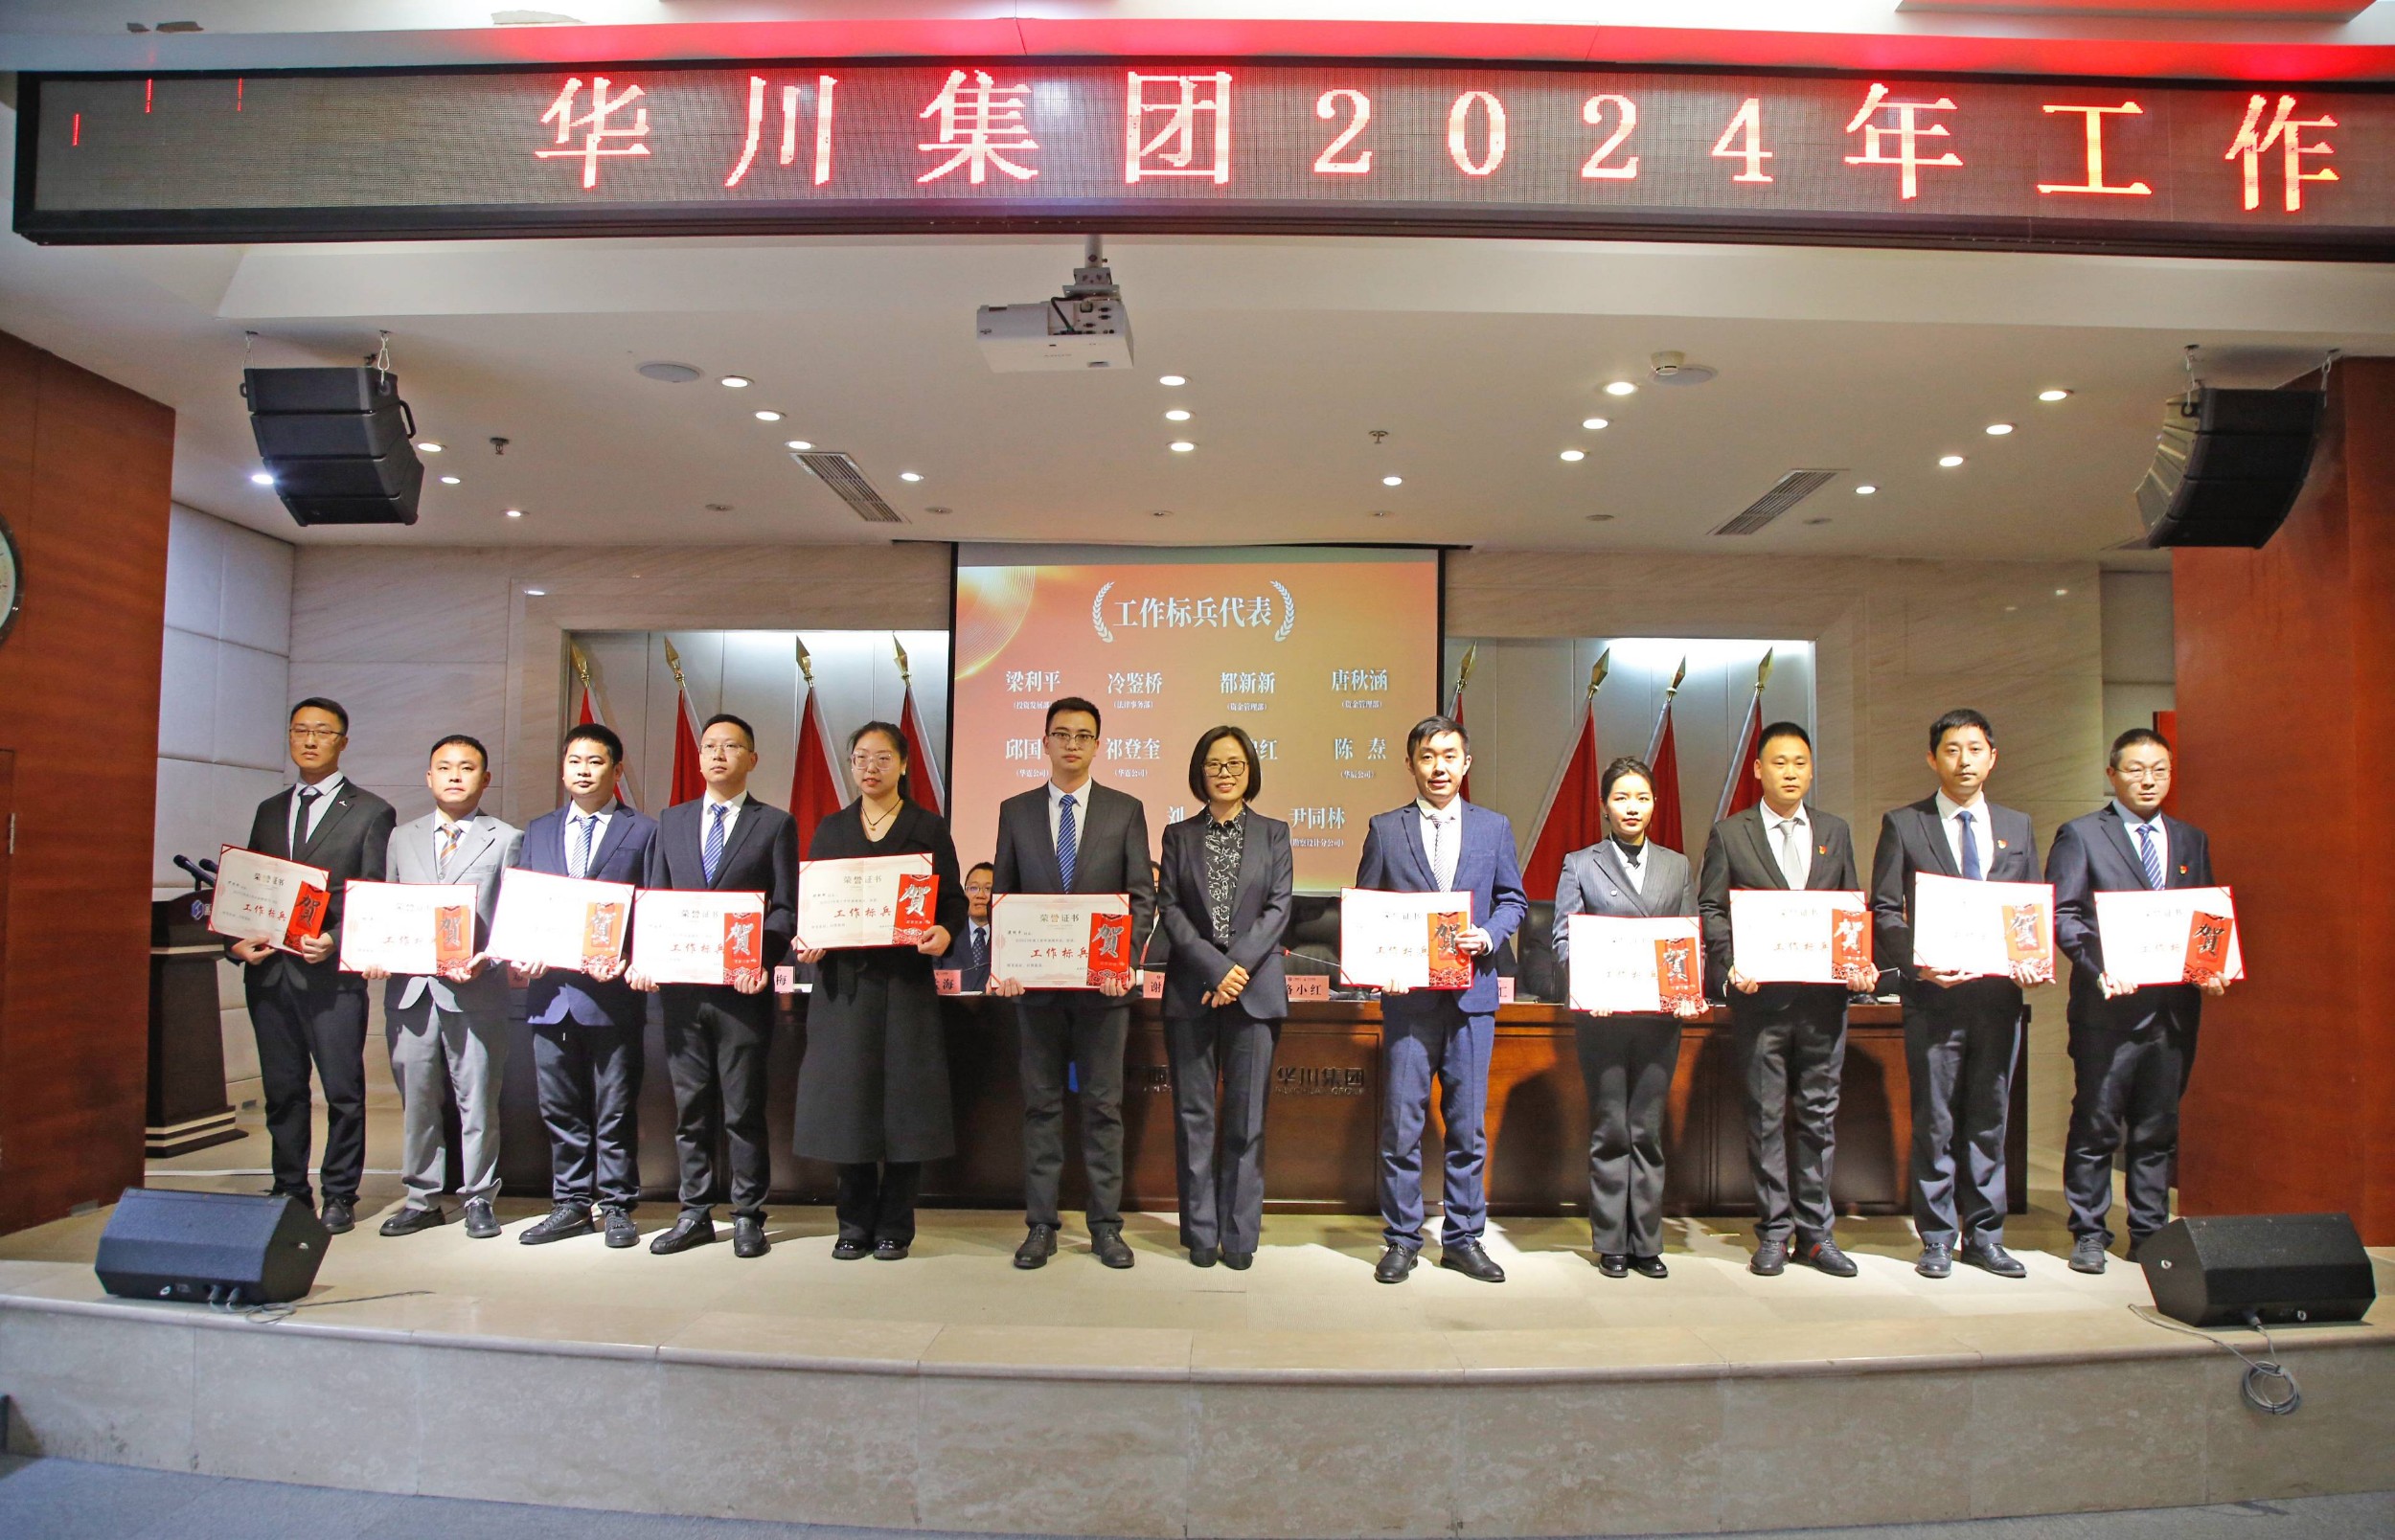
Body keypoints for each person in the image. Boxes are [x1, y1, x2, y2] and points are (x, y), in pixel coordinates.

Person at [1872, 709, 2043, 1280]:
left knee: (1990, 1118)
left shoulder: (2017, 826)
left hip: (1998, 999)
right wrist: (1918, 965)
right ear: (1932, 758)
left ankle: (1986, 1237)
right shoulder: (1905, 823)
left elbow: (2028, 908)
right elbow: (1885, 909)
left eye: (1974, 749)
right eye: (1951, 749)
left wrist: (2032, 958)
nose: (1963, 760)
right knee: (1937, 1121)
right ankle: (1938, 1237)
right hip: (1934, 999)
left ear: (1992, 757)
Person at [1356, 715, 1527, 1285]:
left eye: (1450, 756)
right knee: (1401, 1125)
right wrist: (1378, 968)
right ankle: (1402, 1239)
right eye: (1428, 756)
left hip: (1472, 998)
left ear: (1466, 763)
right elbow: (1367, 911)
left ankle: (1463, 1239)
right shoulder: (1385, 829)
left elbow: (1513, 900)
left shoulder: (1493, 827)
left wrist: (1491, 934)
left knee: (1467, 1126)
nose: (1439, 768)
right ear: (1411, 763)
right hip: (1409, 1003)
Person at [1697, 722, 1872, 1279]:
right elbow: (1711, 908)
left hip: (1824, 1003)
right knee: (1766, 1117)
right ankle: (1774, 1230)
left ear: (1811, 770)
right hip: (1761, 1003)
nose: (1790, 772)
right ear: (1758, 770)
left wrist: (1857, 959)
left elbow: (1850, 906)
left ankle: (1816, 1235)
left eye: (1800, 762)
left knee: (1818, 1119)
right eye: (1779, 762)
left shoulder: (1835, 831)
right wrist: (1729, 965)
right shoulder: (1731, 833)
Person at [2048, 728, 2225, 1273]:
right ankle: (2089, 1231)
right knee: (2097, 1122)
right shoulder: (2081, 835)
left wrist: (2210, 969)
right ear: (2112, 774)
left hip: (2173, 1010)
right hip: (2108, 1008)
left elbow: (2206, 917)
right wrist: (2100, 968)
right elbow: (2064, 915)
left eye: (2159, 770)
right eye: (2135, 769)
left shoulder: (2191, 839)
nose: (2148, 780)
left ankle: (2150, 1234)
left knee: (2158, 1126)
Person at [990, 696, 1156, 1271]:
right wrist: (1004, 964)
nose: (1072, 744)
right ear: (1044, 742)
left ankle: (1106, 1227)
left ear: (1097, 745)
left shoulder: (1124, 810)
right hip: (1036, 991)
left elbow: (1141, 896)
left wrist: (1124, 962)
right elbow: (1004, 896)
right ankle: (1041, 1225)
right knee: (1041, 1106)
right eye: (1061, 734)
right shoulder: (1015, 811)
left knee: (1104, 1108)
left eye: (1083, 736)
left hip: (1103, 993)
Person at [791, 722, 967, 1261]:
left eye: (883, 757)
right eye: (861, 757)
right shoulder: (831, 829)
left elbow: (953, 902)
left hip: (906, 987)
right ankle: (852, 1224)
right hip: (844, 990)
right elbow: (814, 903)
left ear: (904, 765)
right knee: (849, 1106)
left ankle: (896, 1226)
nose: (871, 767)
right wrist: (809, 939)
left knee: (906, 1107)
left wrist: (945, 933)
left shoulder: (927, 827)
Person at [630, 713, 799, 1259]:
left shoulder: (774, 823)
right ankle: (694, 1212)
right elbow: (655, 899)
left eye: (731, 746)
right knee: (691, 1109)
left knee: (743, 1109)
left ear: (752, 759)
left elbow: (784, 907)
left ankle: (748, 1214)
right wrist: (648, 958)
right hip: (681, 994)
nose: (719, 755)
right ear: (699, 757)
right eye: (710, 747)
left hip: (742, 995)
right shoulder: (671, 821)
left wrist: (760, 959)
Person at [227, 699, 397, 1235]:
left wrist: (337, 941)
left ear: (342, 741)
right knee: (282, 1089)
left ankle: (340, 1192)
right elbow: (248, 887)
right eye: (300, 730)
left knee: (342, 1090)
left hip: (330, 975)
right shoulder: (269, 809)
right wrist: (235, 942)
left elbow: (372, 894)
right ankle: (288, 1187)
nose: (309, 740)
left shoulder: (371, 811)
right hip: (269, 972)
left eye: (322, 732)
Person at [364, 736, 523, 1239]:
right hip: (411, 991)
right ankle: (422, 1198)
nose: (455, 776)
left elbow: (514, 918)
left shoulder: (507, 838)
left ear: (486, 778)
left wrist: (489, 958)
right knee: (418, 1100)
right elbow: (387, 907)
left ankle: (479, 1198)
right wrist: (374, 950)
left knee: (478, 1100)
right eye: (445, 767)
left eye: (467, 767)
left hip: (477, 990)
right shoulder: (401, 837)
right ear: (428, 777)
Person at [1554, 757, 1704, 1279]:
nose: (1632, 807)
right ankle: (1611, 1241)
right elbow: (1564, 938)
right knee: (1610, 1127)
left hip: (1659, 1020)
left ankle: (1647, 1241)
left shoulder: (1677, 866)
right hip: (1602, 1018)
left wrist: (1688, 988)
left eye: (1641, 797)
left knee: (1646, 1129)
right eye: (1621, 798)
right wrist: (1586, 984)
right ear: (1604, 806)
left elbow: (1687, 938)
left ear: (1655, 804)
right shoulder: (1580, 863)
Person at [513, 723, 658, 1249]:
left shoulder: (644, 831)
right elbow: (524, 903)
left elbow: (652, 909)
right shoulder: (539, 830)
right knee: (560, 1106)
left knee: (615, 1107)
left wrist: (629, 958)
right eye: (574, 760)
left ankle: (617, 1205)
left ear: (616, 770)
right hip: (550, 995)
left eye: (595, 761)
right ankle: (571, 1203)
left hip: (612, 995)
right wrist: (522, 949)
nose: (583, 770)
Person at [1157, 726, 1294, 1270]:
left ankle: (1238, 1236)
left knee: (1246, 1120)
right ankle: (1200, 1234)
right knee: (1194, 1118)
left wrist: (1235, 971)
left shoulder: (1274, 833)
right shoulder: (1177, 835)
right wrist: (1216, 970)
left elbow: (1279, 908)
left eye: (1235, 764)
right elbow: (1170, 909)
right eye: (1215, 764)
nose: (1224, 773)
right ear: (1200, 771)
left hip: (1254, 993)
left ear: (1250, 770)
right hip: (1192, 990)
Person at [938, 862, 995, 993]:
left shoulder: (1007, 936)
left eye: (988, 889)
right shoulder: (947, 931)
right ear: (964, 893)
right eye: (973, 888)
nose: (980, 895)